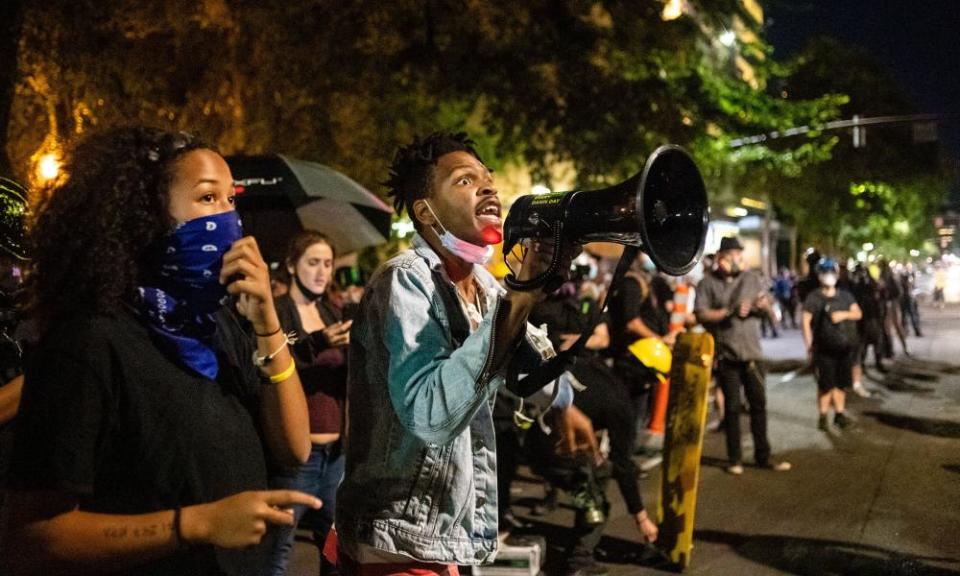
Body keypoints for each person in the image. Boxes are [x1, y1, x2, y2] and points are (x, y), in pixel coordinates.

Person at [0, 127, 320, 576]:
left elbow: (294, 449)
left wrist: (267, 324)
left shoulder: (222, 326)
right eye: (208, 199)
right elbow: (32, 538)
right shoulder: (90, 342)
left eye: (232, 200)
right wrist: (195, 524)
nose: (228, 219)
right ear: (146, 216)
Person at [335, 132, 597, 575]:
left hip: (439, 540)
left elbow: (526, 365)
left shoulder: (485, 287)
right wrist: (520, 295)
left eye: (489, 179)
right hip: (396, 543)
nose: (489, 188)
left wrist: (564, 401)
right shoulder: (403, 281)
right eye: (464, 180)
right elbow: (431, 412)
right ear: (426, 211)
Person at [528, 281, 658, 576]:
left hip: (531, 441)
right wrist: (642, 518)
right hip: (551, 450)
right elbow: (624, 466)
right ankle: (580, 560)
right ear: (645, 378)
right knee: (597, 486)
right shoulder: (621, 405)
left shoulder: (593, 366)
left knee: (588, 465)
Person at [267, 230, 351, 576]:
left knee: (336, 553)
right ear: (291, 265)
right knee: (276, 553)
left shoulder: (333, 314)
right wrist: (315, 343)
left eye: (327, 264)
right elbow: (273, 364)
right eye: (312, 262)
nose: (321, 272)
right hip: (294, 458)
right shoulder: (279, 313)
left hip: (335, 457)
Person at [695, 237, 791, 475]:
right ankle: (734, 459)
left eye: (738, 254)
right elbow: (701, 315)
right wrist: (730, 312)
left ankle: (763, 456)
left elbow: (773, 316)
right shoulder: (707, 283)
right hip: (727, 356)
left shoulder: (751, 279)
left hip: (753, 356)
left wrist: (763, 306)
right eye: (730, 256)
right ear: (720, 258)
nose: (735, 260)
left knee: (759, 406)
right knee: (732, 410)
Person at [802, 258, 862, 431]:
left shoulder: (845, 295)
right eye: (825, 273)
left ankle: (839, 414)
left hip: (844, 348)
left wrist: (843, 315)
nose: (829, 276)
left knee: (841, 383)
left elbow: (858, 313)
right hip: (823, 349)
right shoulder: (814, 297)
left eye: (831, 273)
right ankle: (822, 416)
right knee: (825, 384)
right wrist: (809, 345)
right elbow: (805, 321)